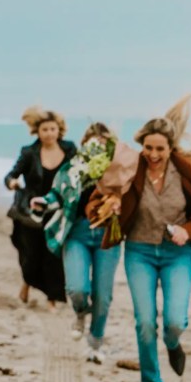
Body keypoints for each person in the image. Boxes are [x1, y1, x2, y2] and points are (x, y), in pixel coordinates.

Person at [88, 98, 191, 382]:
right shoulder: (127, 169)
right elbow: (94, 202)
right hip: (139, 252)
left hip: (176, 255)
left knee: (175, 321)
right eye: (148, 148)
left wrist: (189, 230)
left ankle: (173, 343)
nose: (153, 155)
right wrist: (108, 206)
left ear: (171, 148)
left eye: (160, 149)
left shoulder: (190, 172)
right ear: (142, 145)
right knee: (144, 321)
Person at [33, 123, 122, 361]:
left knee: (103, 295)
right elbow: (57, 194)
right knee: (77, 288)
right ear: (84, 144)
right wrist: (43, 201)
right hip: (77, 232)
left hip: (107, 235)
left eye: (102, 144)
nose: (97, 148)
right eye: (92, 143)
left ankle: (95, 343)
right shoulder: (72, 168)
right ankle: (81, 311)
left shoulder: (119, 170)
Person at [3, 106, 76, 309]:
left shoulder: (70, 150)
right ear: (38, 131)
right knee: (30, 256)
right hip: (31, 213)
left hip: (58, 212)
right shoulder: (29, 153)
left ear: (59, 129)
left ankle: (52, 299)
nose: (49, 133)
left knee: (53, 257)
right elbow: (11, 175)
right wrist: (12, 184)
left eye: (53, 129)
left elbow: (78, 175)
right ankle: (27, 282)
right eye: (45, 129)